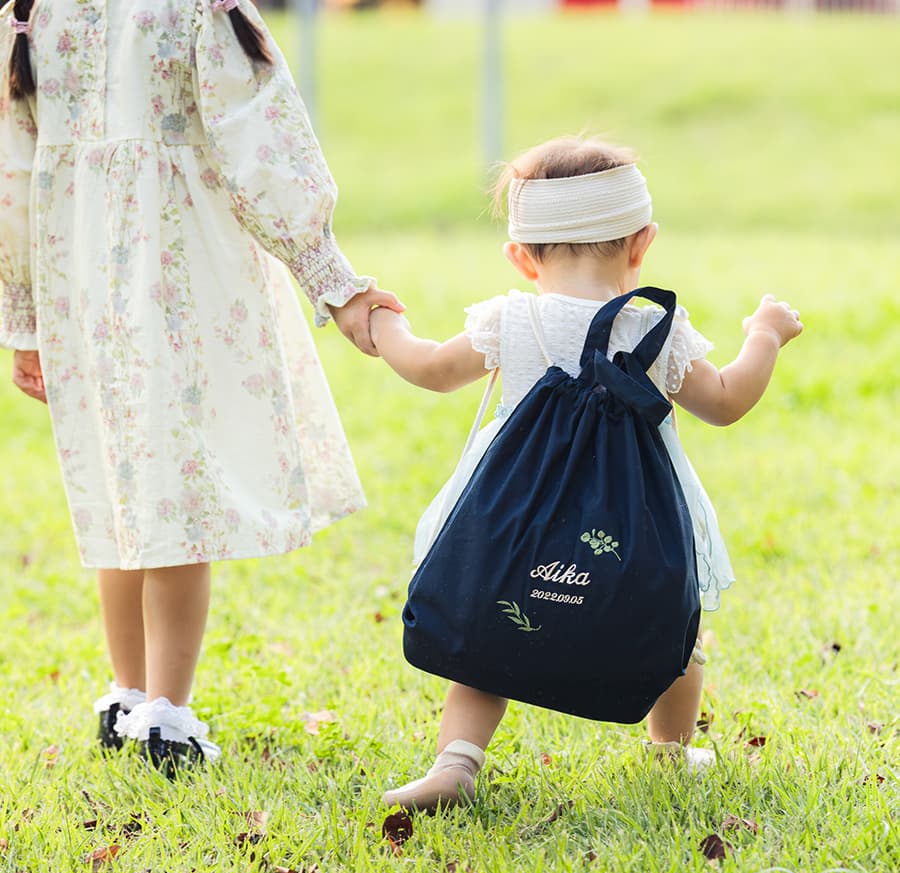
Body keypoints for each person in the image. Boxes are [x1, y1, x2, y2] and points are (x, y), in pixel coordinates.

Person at [0, 0, 402, 775]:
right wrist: (332, 277)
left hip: (78, 274)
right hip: (176, 269)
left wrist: (25, 316)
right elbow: (258, 139)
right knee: (171, 491)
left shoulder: (35, 12)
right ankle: (166, 715)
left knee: (126, 486)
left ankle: (130, 694)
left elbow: (14, 176)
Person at [370, 136, 803, 810]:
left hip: (512, 516)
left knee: (487, 636)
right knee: (672, 634)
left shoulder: (508, 319)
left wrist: (380, 324)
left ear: (519, 255)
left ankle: (456, 763)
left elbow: (427, 367)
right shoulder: (653, 329)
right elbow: (725, 402)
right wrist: (765, 336)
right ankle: (668, 752)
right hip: (632, 525)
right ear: (642, 244)